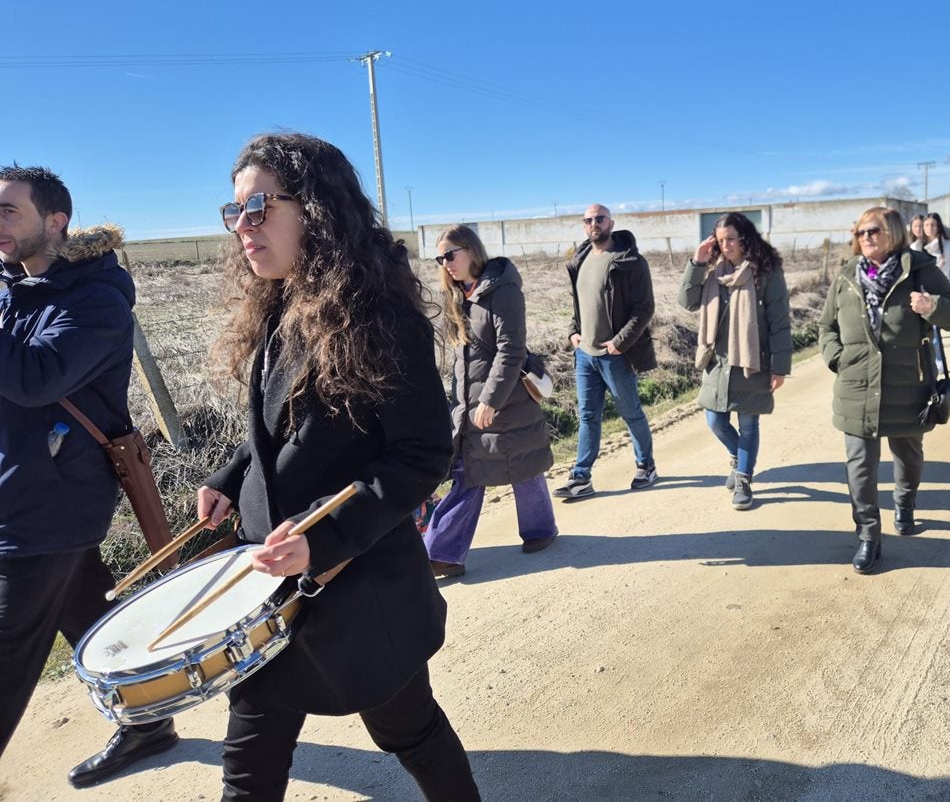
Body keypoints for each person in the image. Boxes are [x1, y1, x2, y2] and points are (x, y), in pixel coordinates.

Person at [197, 134, 479, 801]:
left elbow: (420, 454)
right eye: (234, 211)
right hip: (266, 586)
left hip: (359, 592)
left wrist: (322, 543)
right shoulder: (278, 301)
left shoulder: (380, 316)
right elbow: (281, 425)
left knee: (410, 732)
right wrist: (231, 477)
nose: (243, 227)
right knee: (249, 763)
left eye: (259, 207)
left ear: (316, 208)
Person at [0, 166, 180, 784]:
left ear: (55, 223)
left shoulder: (96, 300)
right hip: (20, 486)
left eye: (7, 211)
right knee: (88, 615)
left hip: (49, 504)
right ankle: (149, 722)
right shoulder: (12, 289)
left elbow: (34, 379)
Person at [818, 207, 950, 573]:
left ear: (895, 233)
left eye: (874, 230)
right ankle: (868, 536)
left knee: (908, 455)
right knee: (859, 466)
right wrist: (837, 359)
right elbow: (826, 327)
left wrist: (933, 307)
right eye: (860, 232)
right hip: (856, 385)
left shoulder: (919, 270)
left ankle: (905, 503)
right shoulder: (846, 275)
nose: (865, 237)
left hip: (908, 386)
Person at [422, 224, 558, 578]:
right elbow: (462, 360)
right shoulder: (460, 295)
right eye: (440, 258)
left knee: (482, 469)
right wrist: (459, 402)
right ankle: (540, 531)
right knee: (512, 465)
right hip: (473, 402)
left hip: (503, 401)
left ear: (471, 250)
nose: (446, 263)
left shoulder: (502, 290)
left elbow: (510, 350)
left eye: (451, 254)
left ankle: (442, 552)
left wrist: (490, 400)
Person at [678, 213, 791, 510]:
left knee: (749, 423)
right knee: (714, 419)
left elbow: (780, 322)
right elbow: (687, 301)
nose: (725, 245)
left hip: (753, 359)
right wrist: (697, 263)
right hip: (718, 360)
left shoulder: (766, 271)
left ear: (745, 238)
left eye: (731, 239)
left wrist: (780, 367)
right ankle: (737, 455)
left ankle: (743, 478)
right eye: (720, 240)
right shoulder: (712, 270)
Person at [554, 204, 657, 499]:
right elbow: (580, 303)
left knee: (630, 412)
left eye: (599, 218)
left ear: (611, 223)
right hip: (584, 355)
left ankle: (646, 465)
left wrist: (619, 343)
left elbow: (644, 308)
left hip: (615, 355)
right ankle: (581, 477)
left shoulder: (630, 261)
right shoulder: (581, 258)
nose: (593, 224)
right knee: (588, 416)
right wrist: (573, 331)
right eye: (588, 220)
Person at [912, 213, 950, 289]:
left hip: (942, 295)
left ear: (938, 226)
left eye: (933, 225)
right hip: (919, 295)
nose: (930, 228)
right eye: (927, 225)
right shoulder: (915, 247)